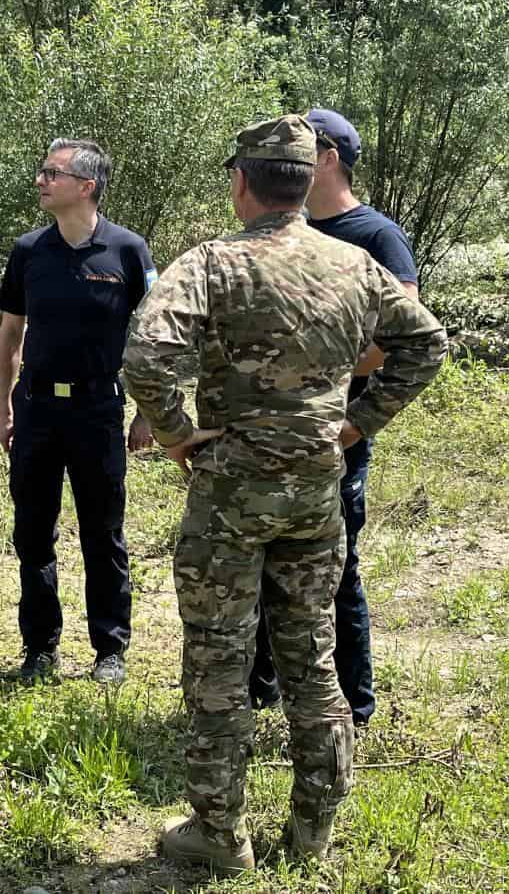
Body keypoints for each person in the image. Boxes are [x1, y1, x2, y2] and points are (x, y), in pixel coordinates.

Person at [123, 114, 446, 874]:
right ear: (304, 182)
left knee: (218, 663)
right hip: (314, 495)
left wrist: (176, 436)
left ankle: (219, 834)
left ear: (242, 182)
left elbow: (147, 354)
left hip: (230, 497)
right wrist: (353, 425)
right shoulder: (353, 263)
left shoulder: (213, 263)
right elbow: (426, 343)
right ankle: (311, 835)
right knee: (312, 659)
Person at [249, 107, 422, 723]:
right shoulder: (277, 228)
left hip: (334, 430)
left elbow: (402, 337)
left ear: (327, 158)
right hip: (268, 430)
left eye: (304, 144)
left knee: (335, 570)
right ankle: (259, 690)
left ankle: (354, 704)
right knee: (259, 559)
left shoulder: (375, 235)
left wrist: (325, 383)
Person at [0, 138, 157, 685]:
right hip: (37, 409)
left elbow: (154, 334)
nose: (40, 180)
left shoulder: (128, 250)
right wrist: (3, 406)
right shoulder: (29, 250)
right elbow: (10, 334)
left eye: (52, 173)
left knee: (101, 532)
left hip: (98, 408)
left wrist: (147, 412)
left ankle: (110, 649)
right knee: (33, 532)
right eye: (42, 171)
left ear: (87, 187)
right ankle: (40, 648)